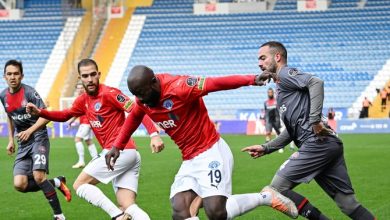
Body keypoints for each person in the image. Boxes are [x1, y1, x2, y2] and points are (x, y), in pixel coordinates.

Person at [104, 65, 298, 220]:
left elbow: (216, 83)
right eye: (136, 94)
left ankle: (266, 197)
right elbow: (133, 119)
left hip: (211, 151)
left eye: (142, 93)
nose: (140, 99)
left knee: (216, 212)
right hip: (189, 159)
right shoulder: (143, 101)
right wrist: (117, 147)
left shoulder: (180, 87)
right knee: (180, 211)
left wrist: (251, 79)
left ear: (153, 82)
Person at [242, 41, 375, 220]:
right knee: (348, 204)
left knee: (275, 189)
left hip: (317, 143)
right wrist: (267, 148)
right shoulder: (282, 88)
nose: (259, 63)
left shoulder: (285, 74)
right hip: (328, 145)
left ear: (277, 57)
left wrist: (315, 121)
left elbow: (316, 82)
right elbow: (291, 131)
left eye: (263, 58)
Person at [26, 59, 164, 220]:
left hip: (120, 151)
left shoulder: (109, 93)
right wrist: (41, 112)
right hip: (126, 155)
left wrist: (154, 134)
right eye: (85, 76)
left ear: (98, 74)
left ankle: (117, 216)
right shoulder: (83, 100)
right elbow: (65, 115)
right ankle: (122, 213)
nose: (90, 79)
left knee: (79, 185)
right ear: (80, 78)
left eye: (93, 74)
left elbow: (136, 109)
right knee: (128, 205)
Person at [0, 60, 71, 220]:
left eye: (16, 74)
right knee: (20, 184)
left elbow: (45, 115)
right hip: (23, 143)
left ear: (22, 76)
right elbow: (10, 118)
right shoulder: (3, 95)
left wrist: (30, 130)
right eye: (9, 74)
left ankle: (59, 215)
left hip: (38, 137)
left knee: (38, 177)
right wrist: (10, 140)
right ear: (4, 76)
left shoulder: (30, 93)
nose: (13, 77)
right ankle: (57, 182)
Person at [67, 84, 98, 168]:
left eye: (81, 88)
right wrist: (71, 121)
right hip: (87, 122)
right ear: (76, 90)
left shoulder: (86, 97)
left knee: (77, 139)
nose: (80, 89)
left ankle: (81, 161)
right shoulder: (81, 98)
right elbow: (78, 112)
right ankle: (96, 159)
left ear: (84, 89)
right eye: (78, 88)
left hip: (86, 122)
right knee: (88, 140)